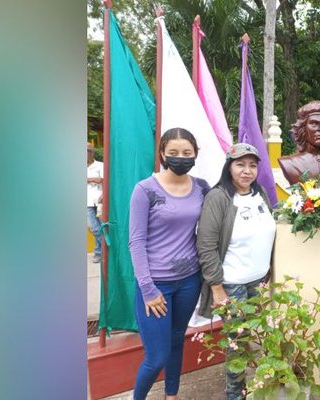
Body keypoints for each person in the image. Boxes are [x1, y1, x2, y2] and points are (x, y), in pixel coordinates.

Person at [128, 128, 210, 400]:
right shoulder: (145, 190)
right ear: (162, 153)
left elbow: (219, 218)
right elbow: (136, 242)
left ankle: (171, 395)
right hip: (155, 286)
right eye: (173, 152)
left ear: (196, 154)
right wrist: (148, 289)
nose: (180, 158)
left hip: (189, 281)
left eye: (187, 153)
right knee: (157, 355)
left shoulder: (201, 187)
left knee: (177, 342)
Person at [196, 143, 276, 400]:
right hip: (232, 285)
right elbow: (206, 246)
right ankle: (235, 395)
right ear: (229, 166)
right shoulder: (218, 197)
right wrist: (216, 287)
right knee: (238, 345)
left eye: (252, 165)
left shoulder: (260, 193)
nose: (247, 171)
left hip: (258, 282)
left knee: (256, 338)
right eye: (240, 164)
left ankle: (254, 388)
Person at [87, 142, 104, 264]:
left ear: (92, 152)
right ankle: (103, 249)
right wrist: (94, 180)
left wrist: (89, 179)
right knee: (94, 228)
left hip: (100, 201)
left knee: (103, 226)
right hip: (87, 201)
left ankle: (99, 252)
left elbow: (103, 180)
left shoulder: (100, 165)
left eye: (89, 151)